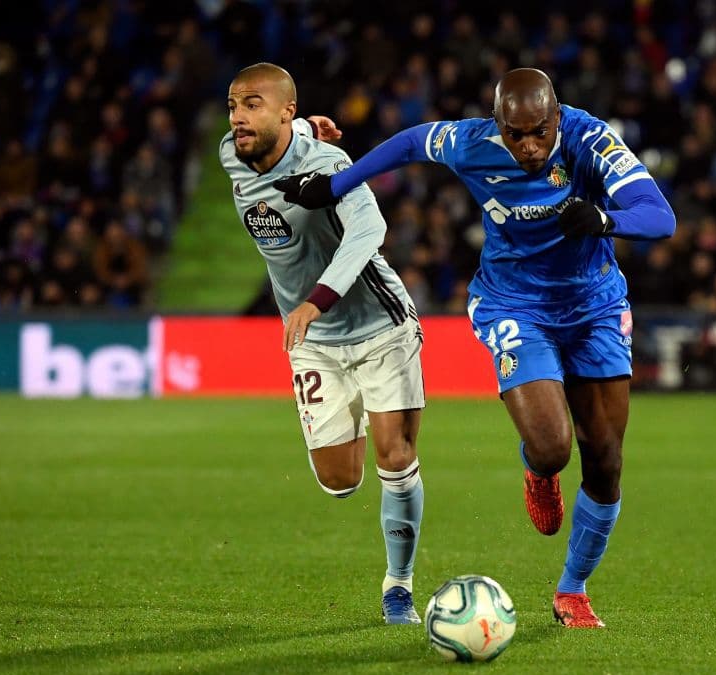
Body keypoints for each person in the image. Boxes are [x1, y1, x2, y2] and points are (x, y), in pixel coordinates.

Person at [275, 68, 675, 628]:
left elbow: (660, 216)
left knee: (605, 459)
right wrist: (335, 184)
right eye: (516, 134)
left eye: (539, 132)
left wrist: (608, 219)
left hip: (596, 308)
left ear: (556, 117)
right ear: (498, 125)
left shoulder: (589, 140)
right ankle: (539, 470)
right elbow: (413, 142)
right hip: (515, 304)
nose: (529, 147)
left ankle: (573, 589)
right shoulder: (471, 141)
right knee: (554, 446)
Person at [222, 63, 427, 624]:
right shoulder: (230, 152)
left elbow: (369, 232)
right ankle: (362, 412)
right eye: (234, 105)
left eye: (254, 105)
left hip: (378, 324)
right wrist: (305, 126)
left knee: (396, 458)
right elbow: (275, 137)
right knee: (340, 481)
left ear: (285, 110)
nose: (239, 117)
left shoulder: (330, 166)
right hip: (314, 343)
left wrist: (316, 300)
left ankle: (398, 587)